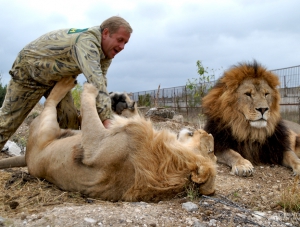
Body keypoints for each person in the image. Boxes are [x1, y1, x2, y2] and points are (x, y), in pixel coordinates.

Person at [0, 16, 132, 151]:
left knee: (70, 122)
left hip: (56, 80)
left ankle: (58, 163)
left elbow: (99, 84)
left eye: (125, 43)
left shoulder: (105, 53)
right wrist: (108, 123)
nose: (122, 47)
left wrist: (102, 116)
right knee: (7, 123)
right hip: (30, 73)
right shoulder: (87, 43)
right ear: (105, 33)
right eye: (120, 40)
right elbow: (96, 81)